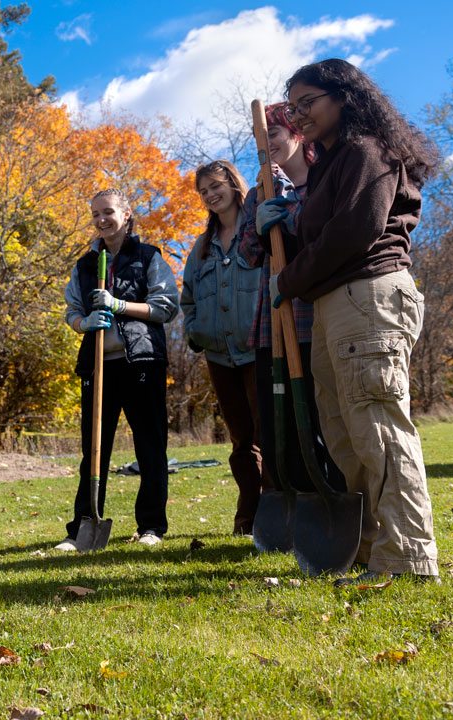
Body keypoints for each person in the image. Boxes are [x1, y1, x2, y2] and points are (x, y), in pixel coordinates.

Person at [271, 58, 441, 584]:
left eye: (308, 103)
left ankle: (409, 558)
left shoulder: (371, 151)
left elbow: (355, 231)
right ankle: (370, 548)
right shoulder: (331, 162)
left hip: (368, 294)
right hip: (330, 305)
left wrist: (288, 279)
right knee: (344, 434)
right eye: (292, 108)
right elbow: (315, 234)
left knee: (378, 428)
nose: (299, 117)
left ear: (343, 95)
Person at [55, 188, 177, 551]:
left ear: (126, 214)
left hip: (141, 361)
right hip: (98, 365)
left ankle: (152, 525)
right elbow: (71, 311)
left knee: (150, 446)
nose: (101, 219)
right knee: (94, 449)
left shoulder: (147, 257)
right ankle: (82, 526)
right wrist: (84, 323)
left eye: (107, 212)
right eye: (95, 214)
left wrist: (119, 304)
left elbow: (165, 306)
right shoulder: (85, 265)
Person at [238, 103, 345, 497]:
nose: (267, 146)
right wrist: (261, 226)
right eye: (259, 140)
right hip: (276, 324)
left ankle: (338, 499)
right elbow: (248, 256)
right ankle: (299, 505)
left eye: (275, 136)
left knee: (324, 418)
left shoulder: (324, 183)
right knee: (277, 420)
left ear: (297, 135)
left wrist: (292, 220)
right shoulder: (256, 194)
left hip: (319, 317)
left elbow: (333, 242)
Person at [180, 160, 268, 535]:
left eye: (215, 185)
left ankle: (276, 514)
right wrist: (195, 332)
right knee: (240, 442)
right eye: (203, 191)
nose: (210, 195)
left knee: (271, 436)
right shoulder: (202, 247)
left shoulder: (258, 233)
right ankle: (247, 519)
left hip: (258, 350)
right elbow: (188, 300)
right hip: (219, 356)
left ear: (233, 184)